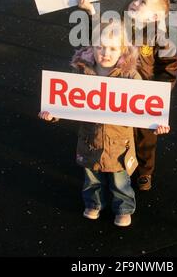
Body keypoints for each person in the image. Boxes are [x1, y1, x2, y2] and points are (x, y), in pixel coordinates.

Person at [39, 20, 169, 227]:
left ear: (123, 51)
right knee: (92, 177)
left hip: (120, 142)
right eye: (100, 47)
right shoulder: (82, 72)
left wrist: (157, 123)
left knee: (120, 180)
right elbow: (65, 101)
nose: (105, 53)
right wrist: (52, 114)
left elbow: (145, 107)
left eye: (112, 48)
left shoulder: (130, 76)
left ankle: (124, 208)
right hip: (90, 138)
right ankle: (94, 204)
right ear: (92, 47)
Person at [77, 0, 177, 191]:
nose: (135, 2)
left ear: (155, 17)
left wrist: (159, 94)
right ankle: (112, 164)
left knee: (145, 136)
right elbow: (101, 32)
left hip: (144, 95)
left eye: (142, 2)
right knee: (117, 131)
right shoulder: (120, 28)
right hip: (119, 88)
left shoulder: (161, 38)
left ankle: (144, 171)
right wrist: (90, 10)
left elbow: (170, 66)